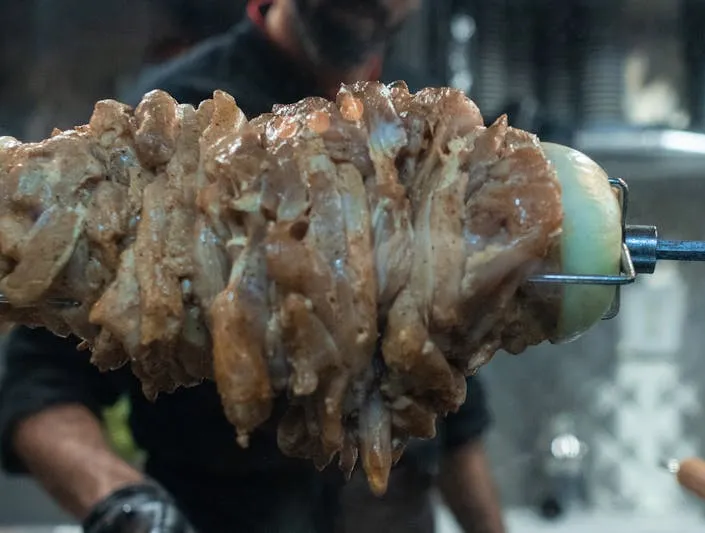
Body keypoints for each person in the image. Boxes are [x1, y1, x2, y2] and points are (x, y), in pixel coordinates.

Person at [0, 1, 505, 533]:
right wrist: (125, 503)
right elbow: (41, 386)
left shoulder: (431, 135)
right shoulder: (171, 125)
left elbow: (456, 407)